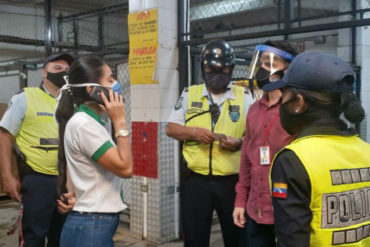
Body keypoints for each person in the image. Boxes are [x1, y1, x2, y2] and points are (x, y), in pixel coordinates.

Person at [266, 51, 370, 247]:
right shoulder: (366, 151)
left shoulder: (293, 160)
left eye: (284, 96)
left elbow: (292, 240)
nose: (280, 103)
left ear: (298, 103)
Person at [166, 39, 254, 247]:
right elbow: (171, 128)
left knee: (237, 238)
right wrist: (193, 132)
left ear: (231, 70)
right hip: (196, 183)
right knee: (195, 240)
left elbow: (256, 137)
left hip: (232, 184)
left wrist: (239, 142)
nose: (216, 75)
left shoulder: (245, 98)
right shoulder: (190, 95)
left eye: (222, 70)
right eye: (210, 70)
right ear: (203, 69)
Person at [55, 56, 133, 247]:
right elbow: (125, 168)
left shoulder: (93, 121)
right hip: (92, 225)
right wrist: (120, 122)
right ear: (93, 90)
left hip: (94, 222)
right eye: (110, 80)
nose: (116, 85)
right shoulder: (85, 125)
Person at [0, 53, 75, 247]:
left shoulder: (73, 102)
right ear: (44, 73)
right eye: (56, 68)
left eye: (66, 70)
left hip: (67, 181)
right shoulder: (26, 97)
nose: (62, 73)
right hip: (37, 180)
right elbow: (5, 136)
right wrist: (7, 176)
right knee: (34, 236)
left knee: (61, 237)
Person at [233, 41, 298, 247]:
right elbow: (246, 159)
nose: (262, 70)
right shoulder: (253, 110)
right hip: (255, 211)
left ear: (287, 70)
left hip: (288, 213)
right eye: (261, 63)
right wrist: (240, 201)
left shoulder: (297, 111)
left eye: (270, 64)